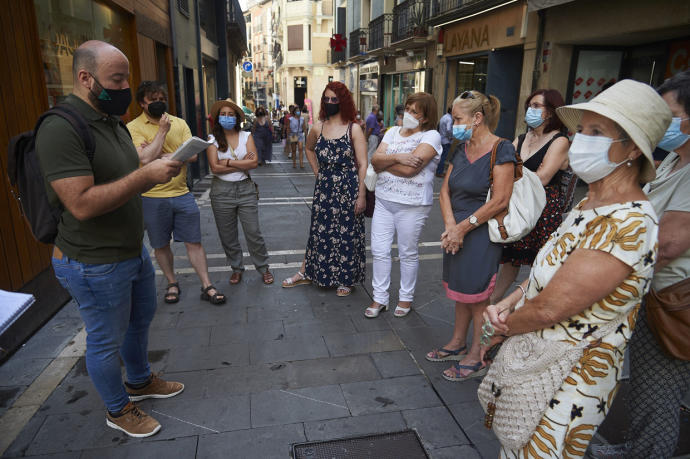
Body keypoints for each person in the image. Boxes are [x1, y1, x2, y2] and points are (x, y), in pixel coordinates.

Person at [482, 79, 670, 458]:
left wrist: (502, 327)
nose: (582, 139)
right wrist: (515, 298)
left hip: (572, 374)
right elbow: (548, 271)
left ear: (633, 148)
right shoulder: (589, 203)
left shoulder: (630, 221)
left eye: (597, 132)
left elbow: (554, 307)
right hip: (540, 354)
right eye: (582, 129)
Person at [36, 41, 186, 438]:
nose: (124, 89)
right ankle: (118, 409)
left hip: (130, 251)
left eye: (125, 79)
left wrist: (157, 162)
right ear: (86, 79)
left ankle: (139, 380)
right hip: (93, 262)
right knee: (105, 339)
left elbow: (130, 165)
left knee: (139, 322)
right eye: (116, 80)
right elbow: (81, 204)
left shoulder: (109, 120)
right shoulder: (60, 128)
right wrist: (144, 178)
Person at [592, 70, 690, 459]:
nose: (662, 126)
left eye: (670, 116)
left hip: (671, 299)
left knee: (658, 388)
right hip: (651, 292)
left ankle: (650, 452)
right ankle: (638, 446)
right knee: (649, 385)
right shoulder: (671, 162)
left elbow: (667, 244)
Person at [424, 90, 515, 381]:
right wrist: (452, 226)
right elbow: (445, 191)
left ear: (477, 118)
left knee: (478, 296)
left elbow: (500, 200)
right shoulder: (459, 148)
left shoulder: (502, 149)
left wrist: (463, 228)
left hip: (481, 233)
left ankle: (477, 355)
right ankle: (457, 342)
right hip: (456, 232)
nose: (452, 124)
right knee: (461, 290)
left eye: (458, 118)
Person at [127, 81, 225, 306]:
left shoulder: (179, 123)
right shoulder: (133, 127)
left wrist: (162, 155)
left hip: (182, 193)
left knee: (194, 241)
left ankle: (206, 284)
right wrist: (162, 133)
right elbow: (143, 159)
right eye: (153, 100)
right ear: (142, 103)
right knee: (160, 244)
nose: (158, 103)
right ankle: (172, 282)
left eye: (162, 99)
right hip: (151, 197)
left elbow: (191, 155)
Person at [281, 82, 367, 296]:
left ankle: (346, 279)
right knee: (320, 231)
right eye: (326, 99)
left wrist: (361, 195)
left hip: (348, 187)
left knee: (347, 233)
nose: (329, 103)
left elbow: (364, 164)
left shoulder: (353, 128)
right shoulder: (318, 127)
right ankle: (309, 272)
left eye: (334, 99)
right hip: (324, 188)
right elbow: (309, 149)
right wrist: (317, 172)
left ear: (343, 101)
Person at [364, 92, 441, 318]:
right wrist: (398, 158)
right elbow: (374, 160)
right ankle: (380, 298)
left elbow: (410, 171)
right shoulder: (393, 132)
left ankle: (405, 298)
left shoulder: (431, 136)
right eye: (407, 109)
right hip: (384, 201)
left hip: (412, 205)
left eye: (415, 111)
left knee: (407, 252)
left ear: (425, 117)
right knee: (379, 251)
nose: (408, 114)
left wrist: (384, 163)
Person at [490, 89, 570, 303]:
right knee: (511, 259)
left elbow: (543, 178)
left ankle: (528, 302)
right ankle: (495, 301)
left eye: (536, 106)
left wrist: (515, 172)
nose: (530, 110)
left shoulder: (560, 141)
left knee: (541, 260)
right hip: (519, 204)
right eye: (529, 106)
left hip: (544, 207)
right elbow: (504, 167)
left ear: (551, 112)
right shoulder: (522, 137)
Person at [206, 99, 274, 286]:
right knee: (228, 235)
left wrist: (227, 162)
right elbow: (214, 168)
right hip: (221, 191)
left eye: (230, 115)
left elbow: (253, 163)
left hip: (245, 189)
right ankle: (236, 268)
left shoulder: (246, 136)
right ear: (218, 118)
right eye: (223, 114)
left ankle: (263, 267)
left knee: (253, 232)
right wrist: (240, 162)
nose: (226, 118)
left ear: (236, 118)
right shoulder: (212, 140)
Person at [436, 106, 453, 177]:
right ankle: (439, 172)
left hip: (441, 138)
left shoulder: (444, 116)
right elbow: (449, 130)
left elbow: (438, 125)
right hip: (446, 140)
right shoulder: (449, 119)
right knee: (443, 157)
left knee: (441, 157)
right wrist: (450, 137)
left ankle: (438, 171)